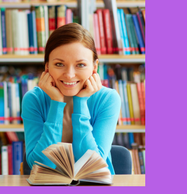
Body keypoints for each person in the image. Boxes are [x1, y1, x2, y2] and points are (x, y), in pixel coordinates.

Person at [22, 23, 121, 175]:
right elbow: (40, 164)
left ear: (95, 67)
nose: (69, 74)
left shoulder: (108, 99)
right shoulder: (34, 99)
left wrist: (81, 103)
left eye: (80, 65)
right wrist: (56, 103)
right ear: (47, 67)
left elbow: (92, 166)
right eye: (59, 64)